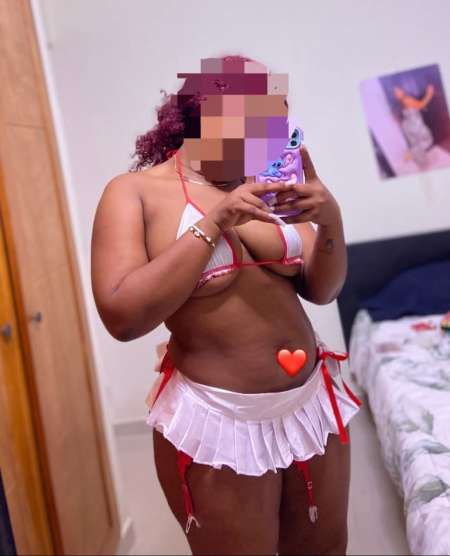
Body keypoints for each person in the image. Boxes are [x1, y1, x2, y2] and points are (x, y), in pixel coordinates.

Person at [91, 54, 362, 556]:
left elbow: (323, 290)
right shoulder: (135, 193)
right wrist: (214, 222)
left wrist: (331, 219)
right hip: (220, 421)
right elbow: (122, 317)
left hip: (309, 403)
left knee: (327, 548)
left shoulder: (265, 182)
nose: (273, 141)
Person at [393, 84, 435, 167]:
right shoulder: (407, 99)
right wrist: (429, 93)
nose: (397, 93)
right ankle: (410, 153)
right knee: (427, 140)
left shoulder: (399, 103)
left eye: (397, 91)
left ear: (402, 90)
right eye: (395, 93)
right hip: (415, 125)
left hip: (407, 126)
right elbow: (421, 105)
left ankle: (422, 163)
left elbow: (400, 116)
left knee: (416, 144)